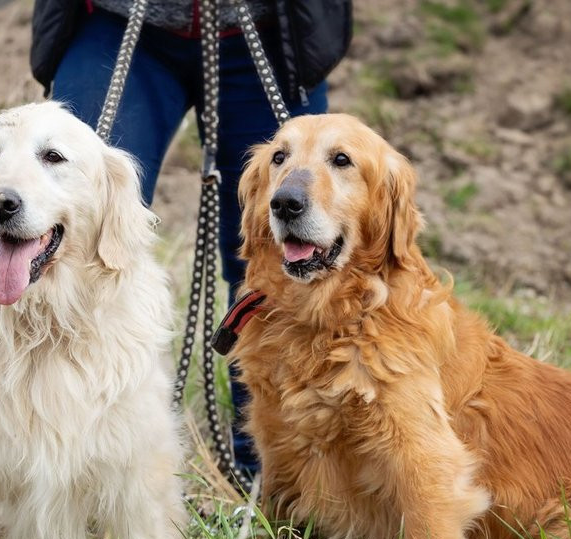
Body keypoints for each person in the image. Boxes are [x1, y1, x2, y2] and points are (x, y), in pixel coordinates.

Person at [30, 0, 352, 478]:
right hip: (119, 21)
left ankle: (271, 481)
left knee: (289, 253)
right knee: (74, 225)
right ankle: (52, 460)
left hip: (269, 26)